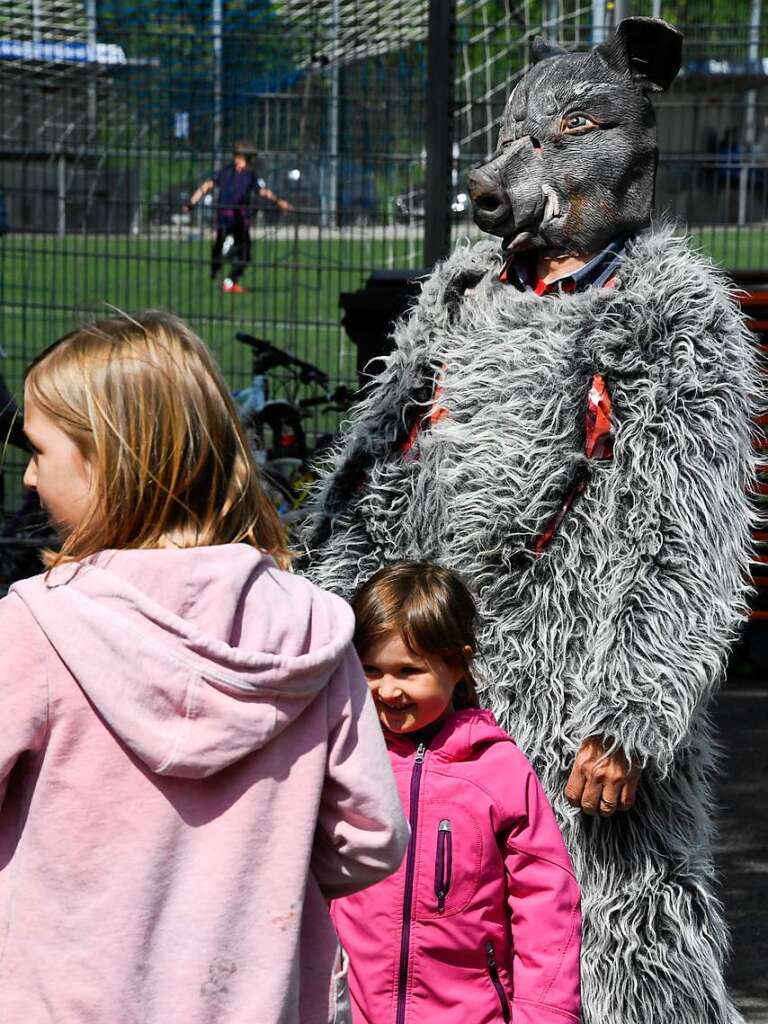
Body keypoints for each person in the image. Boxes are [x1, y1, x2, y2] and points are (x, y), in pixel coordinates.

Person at [0, 312, 409, 1023]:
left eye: (38, 450)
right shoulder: (312, 627)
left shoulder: (37, 627)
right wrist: (255, 891)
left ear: (107, 458)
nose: (28, 478)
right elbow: (373, 836)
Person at [332, 561, 582, 1024]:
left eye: (409, 671)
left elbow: (547, 900)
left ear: (458, 663)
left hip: (472, 1012)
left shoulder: (497, 769)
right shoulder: (346, 758)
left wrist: (544, 1013)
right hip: (352, 1010)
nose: (388, 689)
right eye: (371, 669)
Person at [186, 141, 294, 294]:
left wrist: (191, 203)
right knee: (245, 254)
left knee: (230, 248)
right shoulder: (246, 175)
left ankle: (221, 265)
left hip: (227, 218)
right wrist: (279, 202)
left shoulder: (229, 172)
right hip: (237, 219)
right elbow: (262, 192)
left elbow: (206, 186)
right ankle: (227, 273)